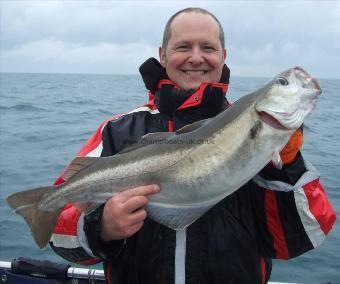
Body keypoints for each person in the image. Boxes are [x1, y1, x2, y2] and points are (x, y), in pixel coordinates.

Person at [50, 7, 336, 284]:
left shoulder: (269, 139)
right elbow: (56, 230)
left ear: (223, 56)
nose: (196, 58)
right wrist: (101, 228)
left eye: (208, 48)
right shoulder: (116, 131)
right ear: (163, 55)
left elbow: (300, 237)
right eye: (183, 47)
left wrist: (286, 165)